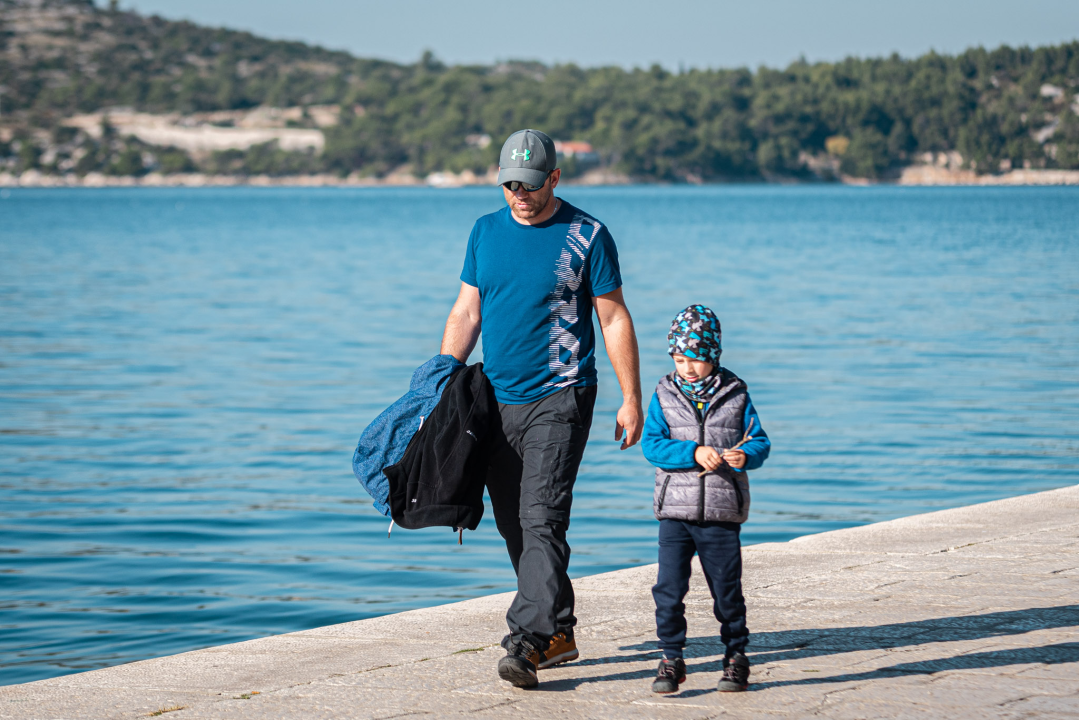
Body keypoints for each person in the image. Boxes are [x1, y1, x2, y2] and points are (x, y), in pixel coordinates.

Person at [440, 128, 643, 689]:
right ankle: (559, 631)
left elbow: (613, 317)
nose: (520, 195)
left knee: (542, 517)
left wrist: (631, 397)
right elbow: (467, 313)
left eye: (529, 185)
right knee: (515, 524)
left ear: (554, 178)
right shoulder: (484, 232)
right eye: (510, 184)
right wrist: (440, 381)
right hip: (497, 400)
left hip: (563, 395)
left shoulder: (587, 235)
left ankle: (528, 640)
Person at [641, 305, 771, 693]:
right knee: (668, 590)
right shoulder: (663, 394)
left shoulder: (736, 394)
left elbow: (760, 441)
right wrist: (693, 452)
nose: (688, 368)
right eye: (680, 359)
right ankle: (671, 658)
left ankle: (735, 656)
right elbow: (652, 446)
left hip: (721, 513)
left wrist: (746, 455)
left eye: (695, 359)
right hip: (675, 514)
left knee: (727, 591)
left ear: (713, 354)